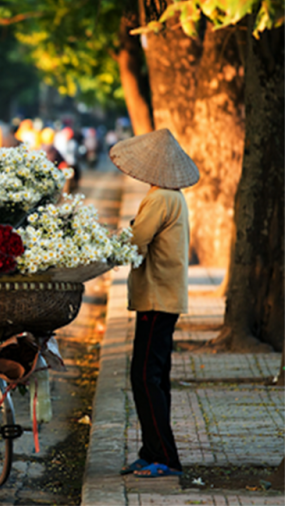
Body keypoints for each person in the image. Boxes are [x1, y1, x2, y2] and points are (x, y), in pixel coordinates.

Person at [110, 128, 200, 479]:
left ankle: (165, 457)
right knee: (154, 377)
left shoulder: (161, 198)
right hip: (163, 296)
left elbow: (137, 240)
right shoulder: (170, 196)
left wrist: (108, 246)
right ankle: (151, 452)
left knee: (145, 377)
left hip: (157, 299)